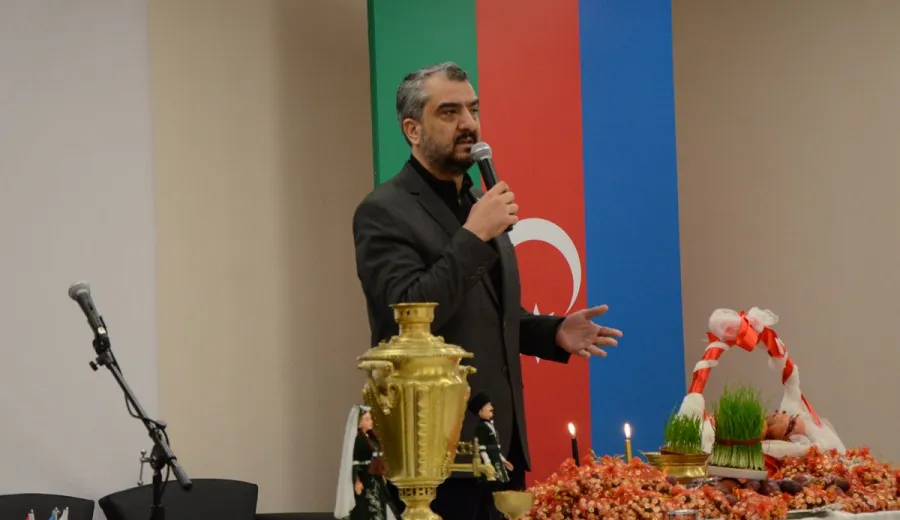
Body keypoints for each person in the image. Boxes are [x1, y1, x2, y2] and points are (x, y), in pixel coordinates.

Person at [352, 61, 623, 520]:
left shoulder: (479, 203)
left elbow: (490, 314)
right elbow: (409, 315)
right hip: (429, 453)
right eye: (450, 112)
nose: (469, 124)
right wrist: (473, 236)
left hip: (499, 444)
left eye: (473, 110)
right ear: (412, 130)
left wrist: (552, 332)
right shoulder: (384, 211)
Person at [334, 405, 397, 520]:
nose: (370, 422)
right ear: (359, 423)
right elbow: (355, 463)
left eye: (370, 419)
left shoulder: (371, 438)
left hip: (375, 479)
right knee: (366, 507)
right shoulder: (358, 440)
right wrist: (357, 481)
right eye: (367, 419)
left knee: (379, 504)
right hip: (366, 479)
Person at [469, 392, 513, 485]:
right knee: (493, 483)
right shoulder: (481, 428)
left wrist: (503, 460)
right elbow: (482, 448)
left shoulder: (490, 425)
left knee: (502, 481)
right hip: (490, 461)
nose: (491, 408)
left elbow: (495, 448)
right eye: (488, 406)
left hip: (496, 459)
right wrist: (487, 463)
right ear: (480, 410)